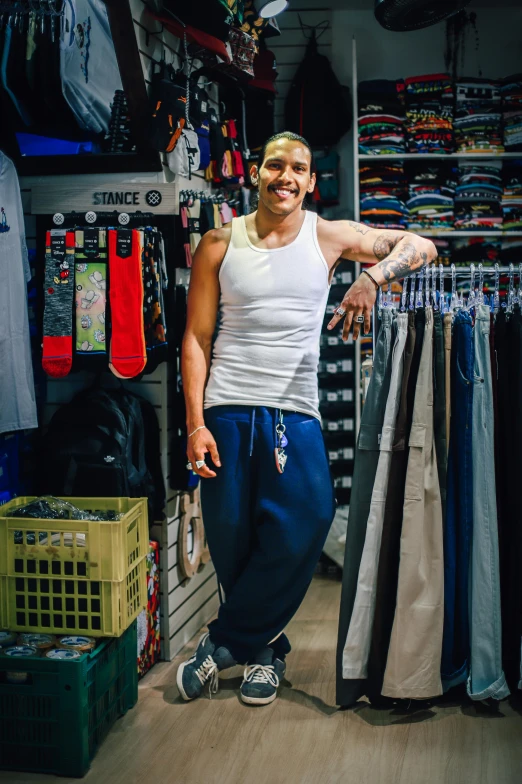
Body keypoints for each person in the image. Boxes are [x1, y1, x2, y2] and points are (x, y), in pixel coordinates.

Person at [177, 131, 437, 706]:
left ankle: (222, 643)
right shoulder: (219, 243)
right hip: (225, 409)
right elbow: (195, 339)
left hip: (294, 411)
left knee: (312, 516)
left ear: (311, 181)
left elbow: (424, 245)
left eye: (298, 168)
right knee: (234, 540)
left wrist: (370, 279)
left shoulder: (329, 236)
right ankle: (265, 653)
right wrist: (195, 422)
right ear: (256, 173)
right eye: (275, 166)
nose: (285, 177)